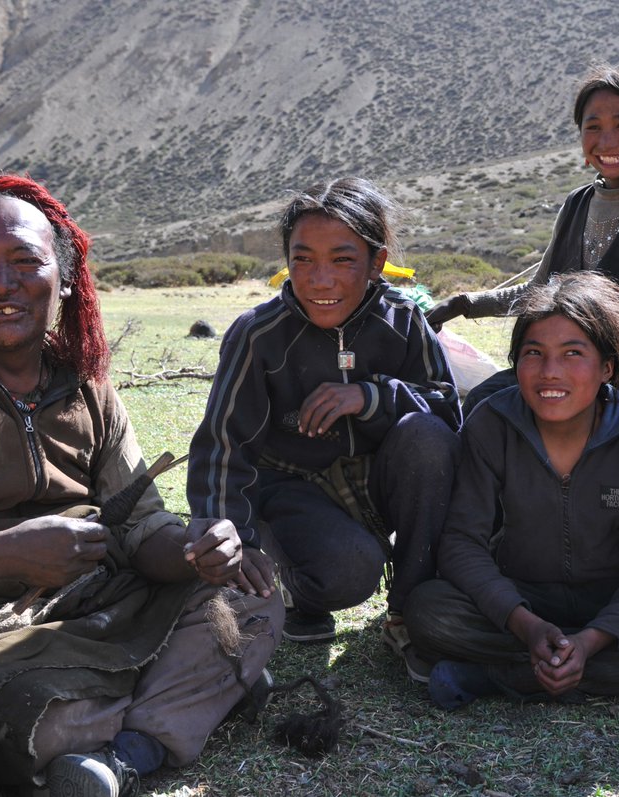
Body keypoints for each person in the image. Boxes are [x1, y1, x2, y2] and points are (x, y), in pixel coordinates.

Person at [0, 174, 283, 796]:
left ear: (63, 272)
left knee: (254, 594)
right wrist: (8, 551)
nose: (2, 284)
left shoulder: (86, 383)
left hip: (95, 604)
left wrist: (194, 549)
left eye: (25, 262)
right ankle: (193, 696)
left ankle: (126, 750)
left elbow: (140, 525)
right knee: (17, 718)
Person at [404, 272, 619, 709]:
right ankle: (563, 665)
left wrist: (593, 640)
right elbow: (463, 544)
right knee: (429, 610)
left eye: (572, 353)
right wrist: (527, 625)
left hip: (611, 603)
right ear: (514, 362)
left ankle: (506, 676)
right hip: (522, 599)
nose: (550, 372)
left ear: (607, 368)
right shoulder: (491, 424)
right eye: (534, 353)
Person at [187, 177, 460, 682]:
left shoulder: (403, 320)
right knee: (347, 572)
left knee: (427, 435)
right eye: (303, 259)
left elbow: (446, 408)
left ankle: (409, 611)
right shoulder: (258, 334)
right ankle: (300, 586)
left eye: (342, 259)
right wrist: (236, 537)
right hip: (294, 486)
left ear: (376, 263)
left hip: (379, 478)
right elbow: (224, 443)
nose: (320, 280)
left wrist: (370, 396)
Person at [426, 63, 619, 410]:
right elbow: (538, 292)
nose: (607, 141)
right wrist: (463, 304)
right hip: (557, 376)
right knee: (482, 402)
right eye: (593, 127)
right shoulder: (576, 204)